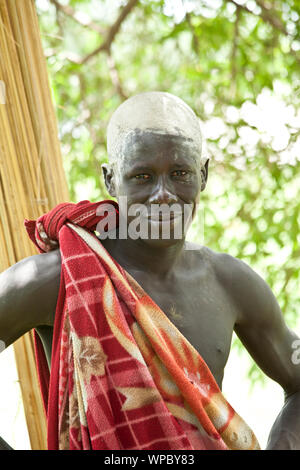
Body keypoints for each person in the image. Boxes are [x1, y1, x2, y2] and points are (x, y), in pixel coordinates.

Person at [0, 91, 299, 450]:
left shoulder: (230, 283)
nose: (163, 194)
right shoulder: (59, 280)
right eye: (142, 176)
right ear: (111, 181)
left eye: (179, 173)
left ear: (202, 174)